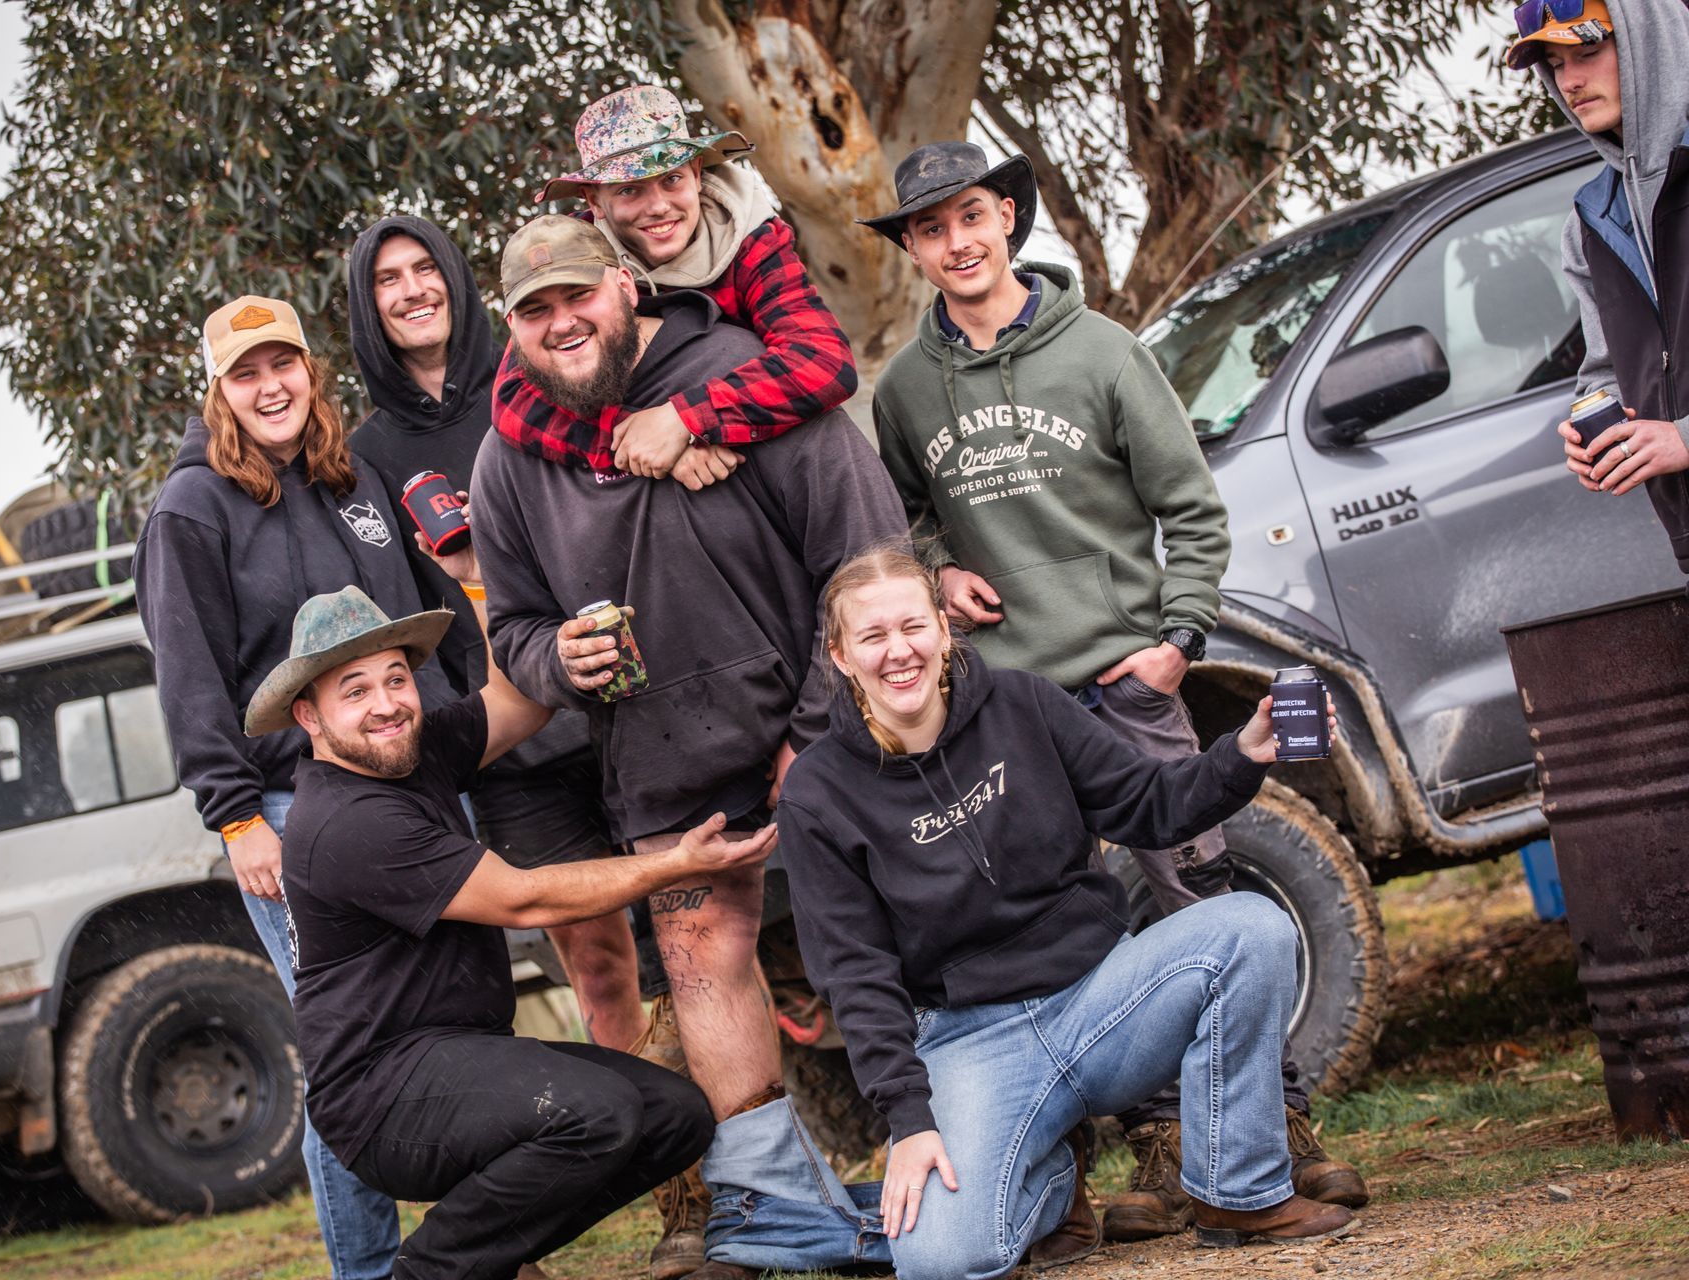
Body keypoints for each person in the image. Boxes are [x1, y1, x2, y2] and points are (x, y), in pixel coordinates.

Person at [862, 141, 1367, 1242]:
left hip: (1125, 682)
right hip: (999, 712)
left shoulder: (1103, 352)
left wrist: (1176, 640)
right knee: (1048, 933)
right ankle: (1112, 1171)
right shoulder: (901, 392)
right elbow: (896, 523)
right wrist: (939, 566)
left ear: (1009, 219)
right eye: (932, 228)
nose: (958, 242)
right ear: (913, 248)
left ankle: (1273, 1140)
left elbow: (1191, 509)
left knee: (1199, 892)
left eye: (973, 217)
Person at [469, 214, 909, 1279]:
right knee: (703, 963)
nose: (562, 322)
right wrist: (554, 661)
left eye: (579, 295)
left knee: (913, 931)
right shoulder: (509, 460)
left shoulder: (747, 377)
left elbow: (867, 557)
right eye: (535, 310)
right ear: (512, 330)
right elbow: (514, 627)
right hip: (666, 756)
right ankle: (769, 1212)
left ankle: (985, 1160)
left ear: (627, 286)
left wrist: (820, 731)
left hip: (830, 727)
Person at [779, 547, 1359, 1279]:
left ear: (944, 627)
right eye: (873, 637)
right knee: (942, 1261)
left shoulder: (1024, 704)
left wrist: (1244, 751)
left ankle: (1236, 1191)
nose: (900, 652)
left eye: (914, 626)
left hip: (1103, 1001)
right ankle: (1052, 1181)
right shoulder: (820, 794)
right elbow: (856, 975)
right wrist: (911, 1120)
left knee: (1251, 929)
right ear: (840, 654)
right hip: (970, 1044)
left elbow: (1151, 803)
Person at [342, 214, 722, 1276]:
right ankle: (679, 1199)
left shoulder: (548, 375)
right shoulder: (371, 452)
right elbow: (400, 608)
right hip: (516, 741)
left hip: (636, 706)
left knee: (698, 942)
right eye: (389, 281)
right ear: (367, 308)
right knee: (600, 964)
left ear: (472, 292)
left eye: (429, 270)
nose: (413, 291)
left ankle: (745, 1173)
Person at [250, 558, 777, 1280]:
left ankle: (485, 1247)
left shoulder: (413, 752)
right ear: (308, 716)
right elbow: (525, 898)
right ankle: (432, 1271)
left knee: (672, 1116)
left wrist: (479, 578)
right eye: (356, 691)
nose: (387, 704)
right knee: (596, 1114)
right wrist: (676, 863)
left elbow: (517, 704)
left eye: (396, 679)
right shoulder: (343, 820)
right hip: (383, 1095)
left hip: (460, 1055)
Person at [134, 296, 448, 1279]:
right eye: (246, 371)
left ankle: (476, 1248)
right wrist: (234, 818)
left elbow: (414, 623)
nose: (271, 386)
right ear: (218, 389)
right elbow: (189, 679)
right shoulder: (189, 511)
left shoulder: (349, 479)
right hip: (285, 813)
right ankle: (367, 1266)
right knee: (353, 1044)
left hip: (408, 791)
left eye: (286, 364)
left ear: (311, 371)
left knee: (443, 1023)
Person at [496, 83, 856, 485]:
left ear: (697, 174)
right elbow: (514, 399)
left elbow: (821, 362)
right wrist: (633, 442)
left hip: (764, 464)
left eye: (671, 179)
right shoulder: (578, 256)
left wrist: (687, 419)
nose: (659, 206)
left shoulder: (754, 239)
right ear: (595, 202)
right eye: (630, 189)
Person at [1513, 0, 1689, 575]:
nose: (1571, 81)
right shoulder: (1590, 220)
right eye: (1556, 65)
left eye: (1587, 52)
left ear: (1652, 44)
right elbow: (1607, 369)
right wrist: (1596, 422)